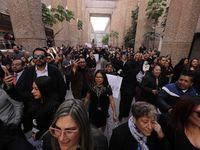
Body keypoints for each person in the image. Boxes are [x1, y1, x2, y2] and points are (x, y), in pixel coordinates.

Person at [31, 76, 60, 148]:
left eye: (36, 89)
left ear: (45, 89)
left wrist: (39, 135)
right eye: (33, 88)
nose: (32, 91)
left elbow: (55, 129)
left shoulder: (54, 107)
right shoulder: (37, 101)